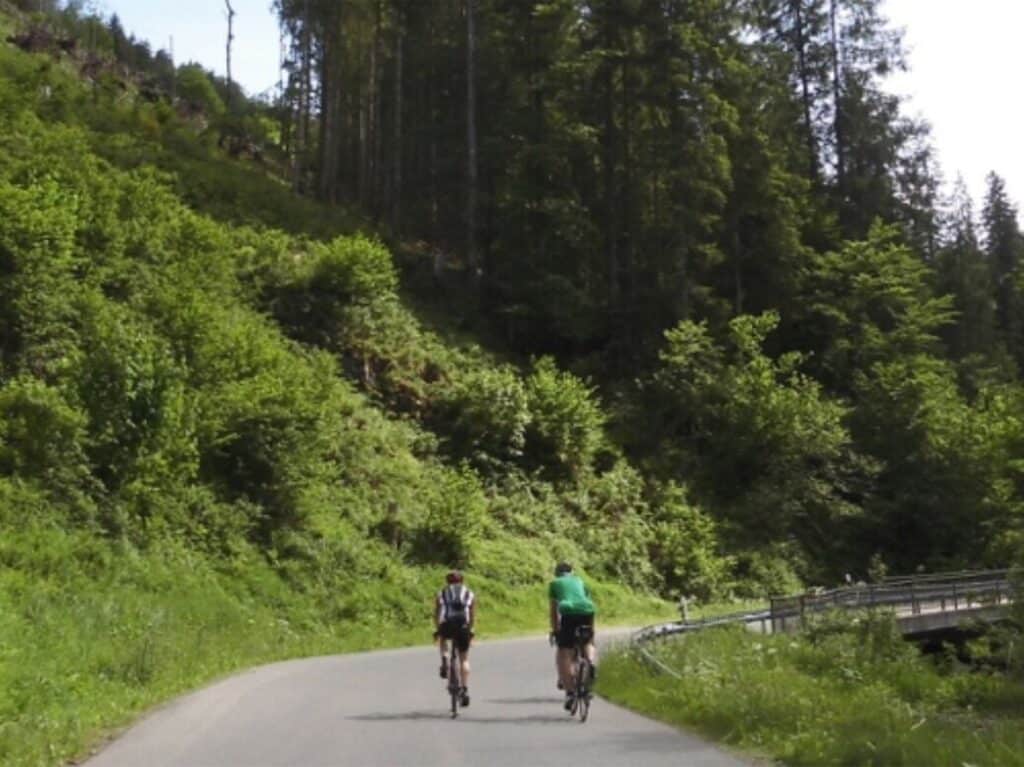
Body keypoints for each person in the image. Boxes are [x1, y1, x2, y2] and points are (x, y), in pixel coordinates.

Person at [548, 562, 596, 711]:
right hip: (588, 611)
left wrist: (556, 630)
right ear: (572, 572)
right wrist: (592, 633)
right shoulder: (580, 581)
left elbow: (554, 610)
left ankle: (570, 692)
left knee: (564, 653)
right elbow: (588, 602)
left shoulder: (554, 583)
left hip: (568, 613)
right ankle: (591, 662)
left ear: (557, 573)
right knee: (587, 643)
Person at [434, 570, 475, 707]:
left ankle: (445, 658)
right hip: (463, 626)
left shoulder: (442, 592)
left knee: (443, 639)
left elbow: (438, 612)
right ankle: (464, 689)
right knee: (464, 658)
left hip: (447, 625)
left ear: (448, 582)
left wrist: (438, 629)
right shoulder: (469, 593)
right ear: (462, 581)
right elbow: (472, 614)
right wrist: (471, 629)